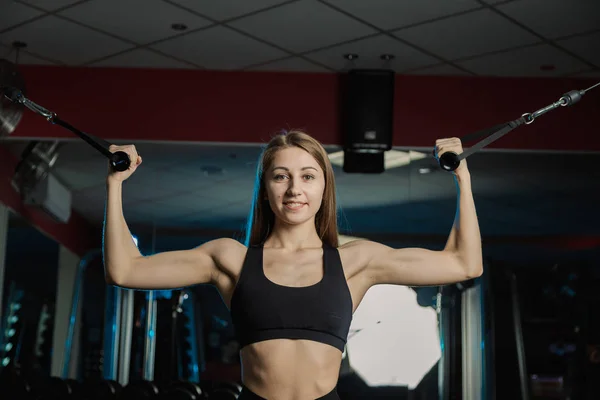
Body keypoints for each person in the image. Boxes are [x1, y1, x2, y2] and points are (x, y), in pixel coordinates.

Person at [103, 130, 483, 400]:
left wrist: (462, 179)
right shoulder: (229, 258)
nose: (294, 189)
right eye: (280, 176)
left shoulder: (358, 261)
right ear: (266, 191)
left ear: (323, 189)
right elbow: (125, 270)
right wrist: (115, 183)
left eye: (307, 176)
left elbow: (464, 264)